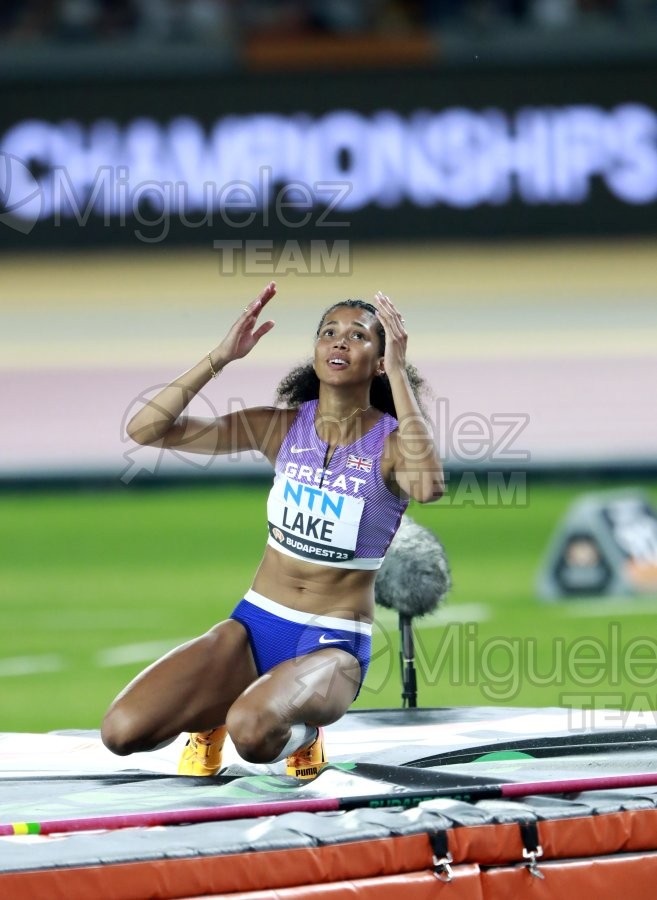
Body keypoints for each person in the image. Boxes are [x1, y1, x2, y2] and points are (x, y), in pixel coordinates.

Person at [101, 281, 444, 779]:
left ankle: (305, 733)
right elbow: (146, 430)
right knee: (121, 731)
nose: (340, 342)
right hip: (253, 625)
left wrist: (400, 377)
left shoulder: (392, 445)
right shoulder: (278, 428)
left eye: (359, 336)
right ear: (315, 352)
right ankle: (209, 717)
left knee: (255, 734)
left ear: (380, 359)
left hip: (332, 644)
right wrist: (220, 357)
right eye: (329, 332)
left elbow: (429, 485)